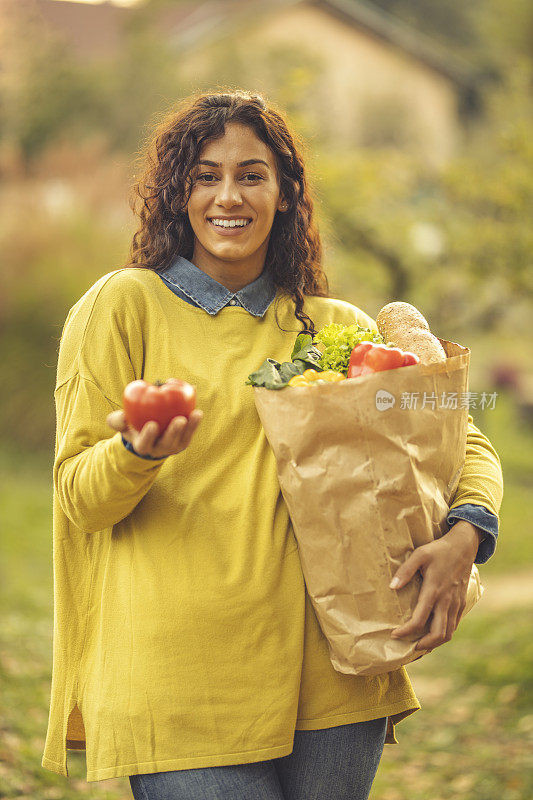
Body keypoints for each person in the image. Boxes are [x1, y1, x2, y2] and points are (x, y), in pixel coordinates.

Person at [41, 90, 503, 800]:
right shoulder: (122, 305)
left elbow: (457, 437)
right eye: (205, 175)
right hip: (183, 681)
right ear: (177, 193)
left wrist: (466, 533)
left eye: (251, 174)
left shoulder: (333, 325)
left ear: (285, 193)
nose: (229, 195)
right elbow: (81, 499)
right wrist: (137, 451)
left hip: (337, 671)